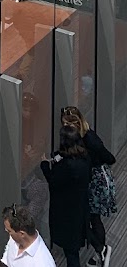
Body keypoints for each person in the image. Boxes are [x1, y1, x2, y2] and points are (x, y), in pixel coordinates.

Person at [61, 105, 116, 266]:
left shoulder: (89, 139)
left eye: (68, 124)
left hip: (95, 179)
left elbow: (108, 157)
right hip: (92, 177)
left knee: (92, 217)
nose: (66, 128)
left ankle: (102, 250)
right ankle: (101, 252)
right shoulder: (83, 136)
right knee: (92, 216)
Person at [40, 127, 91, 267]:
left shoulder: (67, 166)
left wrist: (44, 164)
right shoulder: (84, 158)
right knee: (72, 249)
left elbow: (53, 180)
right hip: (79, 207)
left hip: (66, 212)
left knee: (71, 252)